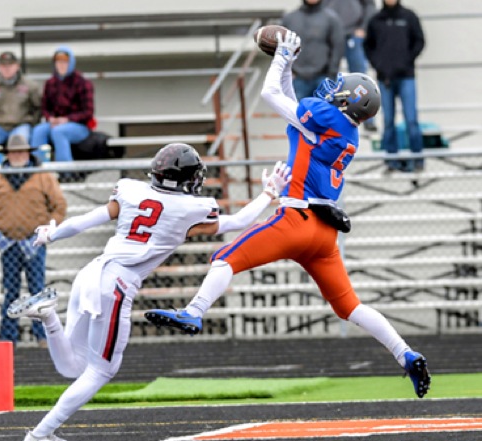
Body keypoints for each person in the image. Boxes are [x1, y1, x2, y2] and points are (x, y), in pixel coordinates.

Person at [145, 32, 431, 400]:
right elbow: (288, 101)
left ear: (348, 101)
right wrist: (287, 64)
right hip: (324, 236)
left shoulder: (326, 115)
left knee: (224, 258)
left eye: (341, 89)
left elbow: (270, 95)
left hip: (297, 220)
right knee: (350, 306)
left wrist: (281, 55)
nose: (333, 89)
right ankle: (406, 355)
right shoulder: (345, 132)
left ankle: (194, 311)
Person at [5, 143, 291, 441]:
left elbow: (88, 219)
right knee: (102, 370)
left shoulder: (130, 190)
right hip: (116, 285)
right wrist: (269, 193)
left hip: (90, 273)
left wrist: (52, 234)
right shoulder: (190, 209)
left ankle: (48, 316)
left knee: (74, 368)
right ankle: (40, 434)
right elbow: (238, 221)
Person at [0, 134, 66, 346]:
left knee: (37, 289)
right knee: (11, 290)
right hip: (8, 242)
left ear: (28, 153)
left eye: (21, 151)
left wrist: (48, 230)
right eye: (14, 152)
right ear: (7, 154)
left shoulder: (43, 176)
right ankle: (9, 337)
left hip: (34, 242)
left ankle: (42, 335)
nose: (18, 155)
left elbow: (59, 205)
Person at [363, 0, 425, 172]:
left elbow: (419, 41)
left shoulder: (409, 17)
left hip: (406, 77)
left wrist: (407, 61)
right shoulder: (375, 20)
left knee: (411, 119)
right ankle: (391, 161)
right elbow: (368, 46)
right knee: (388, 121)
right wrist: (378, 65)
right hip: (385, 79)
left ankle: (418, 160)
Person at [30, 46, 94, 169]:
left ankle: (65, 171)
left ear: (71, 63)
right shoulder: (50, 83)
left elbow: (88, 112)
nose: (61, 65)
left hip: (78, 126)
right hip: (54, 123)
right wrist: (50, 118)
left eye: (65, 62)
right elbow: (45, 107)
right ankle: (37, 170)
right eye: (58, 62)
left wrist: (67, 119)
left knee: (59, 132)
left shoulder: (83, 83)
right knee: (38, 131)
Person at [0, 51, 42, 164]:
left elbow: (38, 106)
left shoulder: (30, 86)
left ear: (17, 66)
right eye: (3, 65)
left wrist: (31, 122)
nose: (7, 68)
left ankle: (22, 171)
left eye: (10, 65)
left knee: (20, 145)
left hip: (21, 125)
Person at [324, 0, 377, 131]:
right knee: (328, 77)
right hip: (331, 33)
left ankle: (368, 118)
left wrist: (364, 27)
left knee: (361, 79)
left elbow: (369, 5)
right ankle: (328, 118)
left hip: (354, 33)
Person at [281, 0, 345, 101]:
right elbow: (282, 47)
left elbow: (337, 46)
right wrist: (288, 72)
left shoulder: (331, 18)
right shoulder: (290, 19)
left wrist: (331, 74)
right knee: (297, 111)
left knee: (323, 111)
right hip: (297, 79)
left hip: (323, 78)